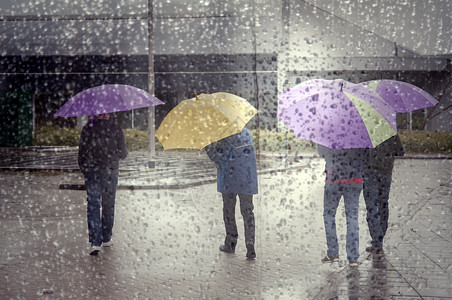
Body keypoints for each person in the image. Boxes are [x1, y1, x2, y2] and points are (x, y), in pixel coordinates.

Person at [78, 113, 128, 255]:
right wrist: (116, 155)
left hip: (92, 171)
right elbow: (123, 154)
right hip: (110, 171)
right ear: (110, 113)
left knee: (93, 203)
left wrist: (84, 167)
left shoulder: (88, 128)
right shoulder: (116, 129)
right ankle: (106, 238)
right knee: (108, 203)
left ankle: (95, 242)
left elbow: (82, 152)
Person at [205, 127, 258, 259]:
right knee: (248, 211)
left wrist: (208, 146)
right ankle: (250, 244)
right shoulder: (247, 133)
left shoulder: (223, 134)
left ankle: (230, 243)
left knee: (229, 210)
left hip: (229, 176)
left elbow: (218, 156)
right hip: (246, 178)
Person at [317, 144, 370, 266]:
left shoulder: (328, 130)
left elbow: (321, 152)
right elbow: (367, 159)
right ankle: (353, 257)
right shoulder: (360, 134)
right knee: (352, 216)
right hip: (354, 179)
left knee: (329, 214)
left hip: (333, 178)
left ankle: (333, 253)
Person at [363, 134, 404, 254]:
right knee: (383, 204)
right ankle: (379, 237)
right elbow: (400, 151)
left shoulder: (364, 130)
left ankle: (377, 241)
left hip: (369, 173)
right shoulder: (389, 130)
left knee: (371, 207)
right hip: (386, 173)